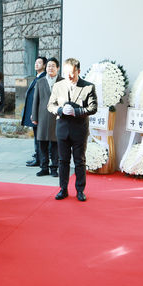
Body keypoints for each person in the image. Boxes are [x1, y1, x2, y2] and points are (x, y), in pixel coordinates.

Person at [47, 57, 97, 202]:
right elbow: (50, 105)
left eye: (72, 73)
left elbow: (93, 108)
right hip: (62, 128)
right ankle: (63, 189)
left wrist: (77, 112)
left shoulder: (88, 86)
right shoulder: (58, 86)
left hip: (79, 129)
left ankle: (80, 190)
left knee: (79, 161)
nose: (69, 76)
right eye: (66, 72)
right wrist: (61, 109)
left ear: (78, 71)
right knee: (63, 160)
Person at [32, 57, 62, 177]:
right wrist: (34, 116)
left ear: (58, 68)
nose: (50, 68)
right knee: (42, 143)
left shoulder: (63, 82)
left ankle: (54, 168)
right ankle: (44, 167)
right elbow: (36, 100)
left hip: (57, 116)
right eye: (49, 65)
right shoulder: (40, 81)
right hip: (43, 116)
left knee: (55, 144)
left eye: (53, 66)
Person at [23, 56, 47, 166]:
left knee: (39, 138)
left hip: (38, 114)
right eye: (35, 62)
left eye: (39, 63)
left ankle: (41, 159)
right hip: (34, 113)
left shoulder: (43, 78)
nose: (36, 64)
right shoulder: (37, 77)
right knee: (37, 137)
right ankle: (38, 157)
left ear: (44, 65)